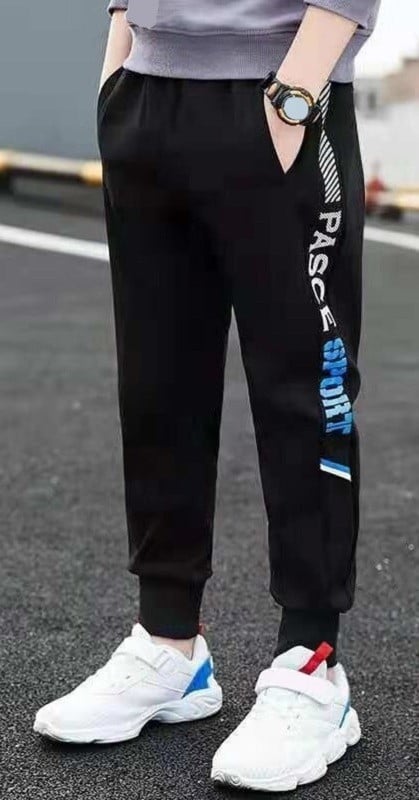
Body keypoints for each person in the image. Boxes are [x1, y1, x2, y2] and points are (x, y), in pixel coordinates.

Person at [34, 0, 381, 791]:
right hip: (146, 94)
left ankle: (311, 662)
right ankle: (169, 644)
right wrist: (120, 53)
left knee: (306, 390)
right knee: (158, 384)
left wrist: (296, 93)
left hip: (282, 88)